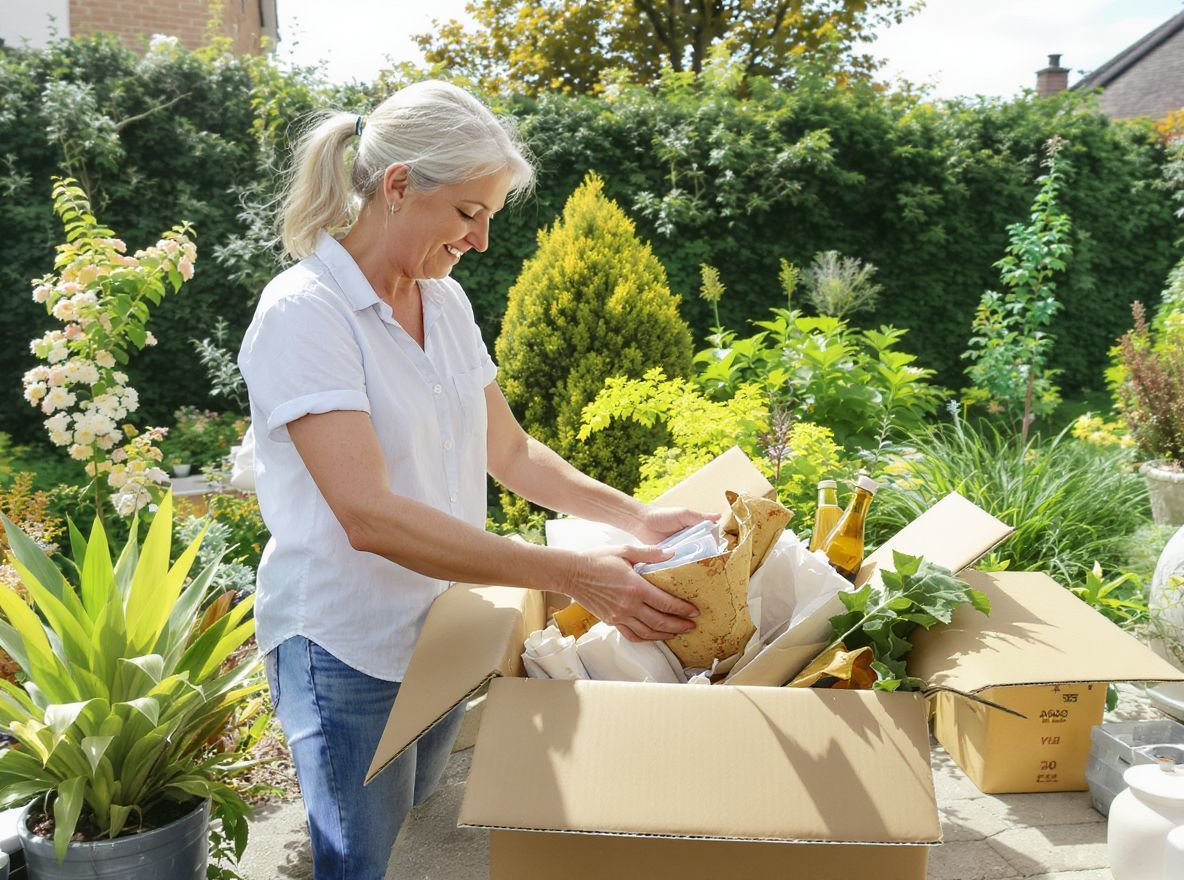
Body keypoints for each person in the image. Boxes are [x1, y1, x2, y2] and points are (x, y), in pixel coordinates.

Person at [238, 80, 711, 880]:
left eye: (488, 216)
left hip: (440, 630)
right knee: (365, 866)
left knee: (413, 845)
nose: (482, 240)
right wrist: (572, 575)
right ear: (398, 186)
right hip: (346, 647)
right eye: (467, 212)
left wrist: (637, 519)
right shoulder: (305, 312)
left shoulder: (445, 302)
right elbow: (368, 515)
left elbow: (512, 453)